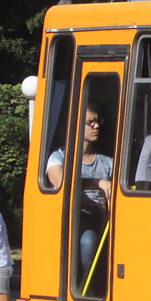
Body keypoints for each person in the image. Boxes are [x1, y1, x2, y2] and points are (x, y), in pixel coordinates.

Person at [46, 104, 113, 275]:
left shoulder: (108, 162)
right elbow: (60, 180)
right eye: (91, 122)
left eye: (98, 122)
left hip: (103, 220)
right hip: (73, 219)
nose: (96, 126)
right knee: (88, 240)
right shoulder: (59, 157)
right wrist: (97, 182)